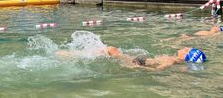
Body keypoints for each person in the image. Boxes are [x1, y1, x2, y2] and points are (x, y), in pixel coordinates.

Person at [56, 46, 206, 71]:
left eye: (187, 50)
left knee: (110, 50)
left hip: (137, 62)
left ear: (187, 56)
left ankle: (67, 55)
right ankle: (70, 55)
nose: (184, 47)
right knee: (106, 51)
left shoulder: (172, 60)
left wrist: (136, 68)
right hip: (138, 60)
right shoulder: (174, 58)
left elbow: (158, 70)